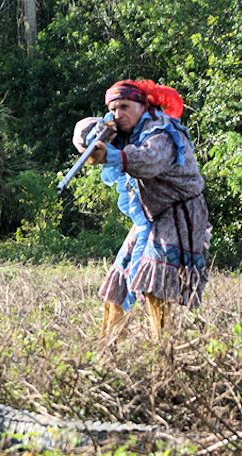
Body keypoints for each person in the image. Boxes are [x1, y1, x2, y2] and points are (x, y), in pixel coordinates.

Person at [73, 80, 210, 340]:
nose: (118, 114)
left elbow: (148, 160)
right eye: (113, 109)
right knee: (118, 282)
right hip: (150, 217)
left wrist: (112, 156)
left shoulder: (163, 130)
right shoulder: (124, 131)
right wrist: (97, 136)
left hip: (179, 213)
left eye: (124, 107)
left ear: (143, 105)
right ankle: (110, 346)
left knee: (154, 286)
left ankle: (164, 346)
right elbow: (82, 135)